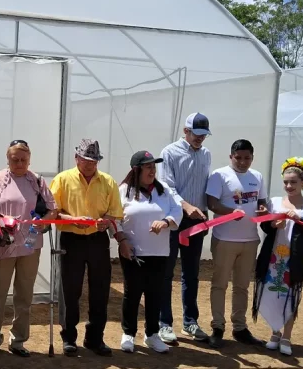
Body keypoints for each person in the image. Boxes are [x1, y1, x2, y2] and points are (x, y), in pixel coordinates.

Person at [0, 140, 57, 358]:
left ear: (30, 159)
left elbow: (52, 209)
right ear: (8, 159)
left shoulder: (37, 181)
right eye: (15, 159)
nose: (20, 163)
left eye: (24, 159)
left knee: (24, 295)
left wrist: (42, 222)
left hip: (30, 247)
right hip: (2, 247)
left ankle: (19, 340)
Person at [50, 139, 123, 357]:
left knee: (100, 289)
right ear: (77, 158)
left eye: (94, 160)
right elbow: (52, 212)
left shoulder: (108, 181)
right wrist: (72, 219)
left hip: (97, 240)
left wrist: (105, 221)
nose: (90, 164)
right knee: (70, 290)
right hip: (71, 238)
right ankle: (69, 338)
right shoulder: (62, 179)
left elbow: (115, 212)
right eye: (86, 160)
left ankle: (95, 338)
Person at [116, 150, 183, 354]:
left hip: (159, 252)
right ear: (136, 170)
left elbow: (177, 210)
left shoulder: (164, 190)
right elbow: (115, 217)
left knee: (155, 293)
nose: (152, 170)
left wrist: (165, 222)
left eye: (154, 166)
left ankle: (152, 335)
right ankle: (128, 333)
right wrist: (123, 241)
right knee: (132, 292)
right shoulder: (124, 190)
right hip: (133, 251)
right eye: (148, 167)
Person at [252, 157, 303, 356]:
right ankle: (275, 333)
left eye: (294, 182)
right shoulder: (273, 202)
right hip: (273, 258)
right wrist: (273, 224)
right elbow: (264, 224)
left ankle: (287, 336)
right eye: (286, 182)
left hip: (294, 260)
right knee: (272, 293)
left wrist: (299, 219)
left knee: (290, 295)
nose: (289, 186)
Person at [205, 139, 267, 348]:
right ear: (231, 156)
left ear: (252, 158)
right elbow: (211, 203)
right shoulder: (219, 175)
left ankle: (240, 328)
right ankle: (218, 327)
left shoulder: (257, 176)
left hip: (250, 240)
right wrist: (231, 213)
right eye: (238, 157)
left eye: (247, 158)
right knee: (220, 284)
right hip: (225, 239)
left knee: (242, 286)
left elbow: (261, 202)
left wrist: (262, 211)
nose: (242, 162)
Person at [157, 112, 211, 343]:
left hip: (196, 220)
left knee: (191, 273)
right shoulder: (169, 152)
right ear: (185, 131)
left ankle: (190, 322)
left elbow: (203, 185)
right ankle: (164, 323)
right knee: (166, 272)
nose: (200, 139)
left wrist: (203, 211)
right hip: (173, 218)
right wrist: (187, 206)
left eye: (203, 135)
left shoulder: (206, 154)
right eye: (196, 134)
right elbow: (166, 186)